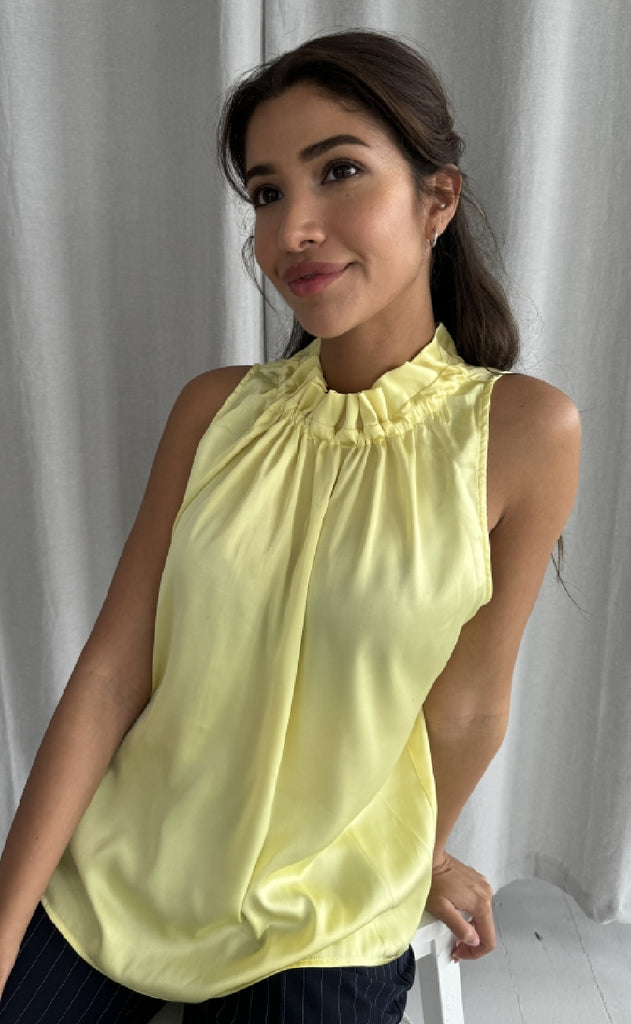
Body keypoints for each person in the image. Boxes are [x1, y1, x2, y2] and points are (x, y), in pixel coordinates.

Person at [0, 28, 580, 1024]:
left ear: (437, 199)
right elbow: (109, 677)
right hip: (127, 871)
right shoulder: (214, 411)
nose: (292, 229)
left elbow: (469, 709)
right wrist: (6, 920)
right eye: (267, 192)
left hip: (327, 914)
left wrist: (416, 855)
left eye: (338, 171)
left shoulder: (522, 432)